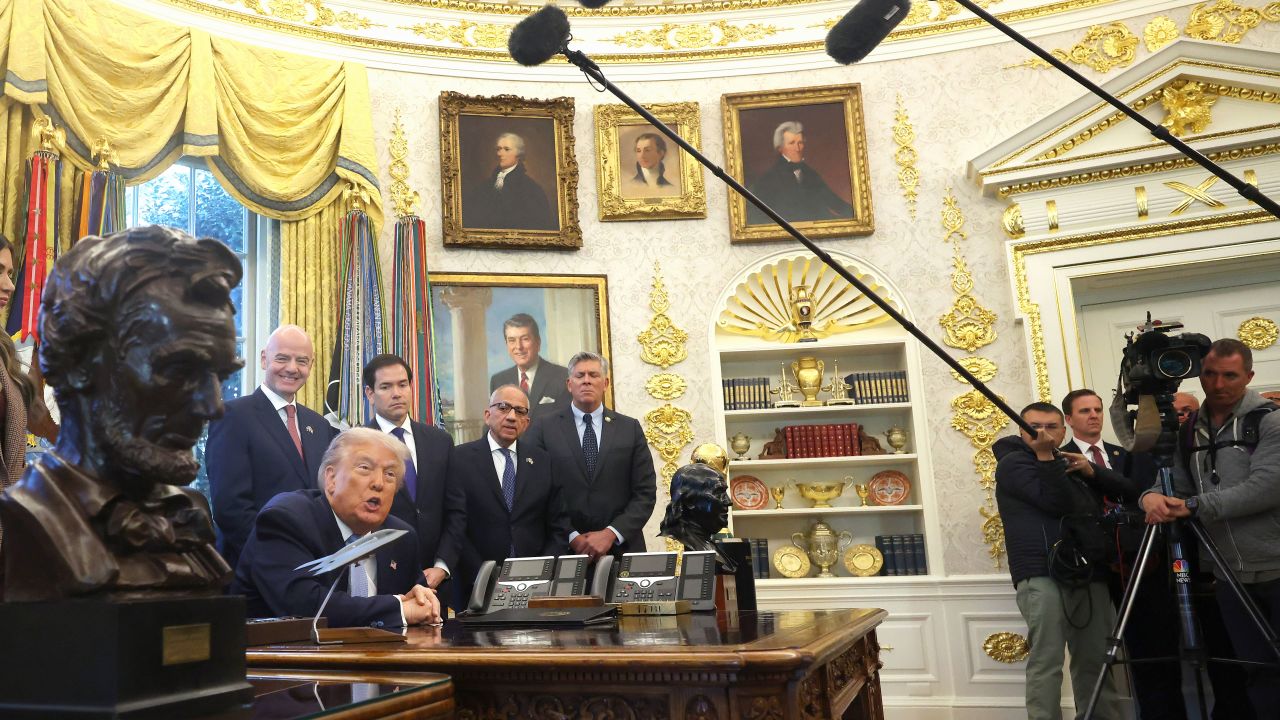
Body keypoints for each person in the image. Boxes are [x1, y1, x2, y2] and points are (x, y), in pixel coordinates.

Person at [0, 226, 239, 600]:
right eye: (177, 370)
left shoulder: (189, 519)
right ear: (81, 363)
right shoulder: (35, 522)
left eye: (219, 376)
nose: (212, 406)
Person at [1141, 339, 1280, 716]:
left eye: (1230, 375)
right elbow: (1174, 484)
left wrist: (1192, 506)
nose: (1218, 384)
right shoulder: (1188, 431)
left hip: (1276, 566)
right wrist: (1150, 498)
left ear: (1249, 376)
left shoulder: (1270, 420)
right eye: (1210, 374)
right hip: (1229, 575)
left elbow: (1267, 488)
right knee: (1256, 672)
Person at [994, 401, 1134, 720]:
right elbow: (1057, 503)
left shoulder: (1067, 462)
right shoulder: (1013, 463)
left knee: (1095, 658)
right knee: (1047, 659)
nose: (1042, 433)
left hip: (1088, 571)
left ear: (1064, 430)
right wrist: (1045, 457)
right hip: (1040, 572)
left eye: (1050, 427)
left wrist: (1091, 470)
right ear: (1021, 430)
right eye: (1034, 427)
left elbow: (1129, 492)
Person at [232, 428, 440, 628]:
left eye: (390, 475)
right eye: (365, 468)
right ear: (331, 478)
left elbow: (415, 599)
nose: (379, 483)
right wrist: (398, 610)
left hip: (379, 657)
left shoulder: (400, 537)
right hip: (276, 660)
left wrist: (424, 600)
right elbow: (304, 607)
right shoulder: (286, 520)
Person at [1063, 389, 1186, 720]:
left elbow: (1144, 495)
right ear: (1068, 419)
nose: (1094, 415)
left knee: (1154, 646)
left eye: (1098, 409)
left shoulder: (1128, 454)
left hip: (1142, 563)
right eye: (1085, 410)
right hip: (1094, 571)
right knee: (1093, 654)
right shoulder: (1060, 460)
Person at [207, 325, 339, 569]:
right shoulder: (233, 416)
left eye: (301, 361)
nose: (292, 368)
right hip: (254, 568)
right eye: (282, 358)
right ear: (264, 359)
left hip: (313, 566)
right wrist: (275, 559)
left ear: (311, 365)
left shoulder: (319, 425)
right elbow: (230, 508)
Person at [523, 352, 656, 560]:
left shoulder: (630, 428)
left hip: (622, 551)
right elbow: (534, 490)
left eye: (593, 375)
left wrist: (610, 534)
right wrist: (572, 536)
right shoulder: (543, 428)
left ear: (605, 383)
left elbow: (645, 493)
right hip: (562, 551)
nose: (586, 380)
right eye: (580, 375)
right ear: (569, 384)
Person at [451, 385, 572, 607]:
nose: (511, 417)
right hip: (476, 586)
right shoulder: (460, 459)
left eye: (520, 411)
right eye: (503, 407)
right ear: (488, 415)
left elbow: (559, 527)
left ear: (527, 422)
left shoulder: (544, 462)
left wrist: (540, 572)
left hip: (535, 587)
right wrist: (483, 575)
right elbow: (455, 527)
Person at [362, 354, 465, 597]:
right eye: (386, 387)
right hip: (385, 581)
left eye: (402, 384)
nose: (397, 393)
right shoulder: (358, 445)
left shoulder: (440, 441)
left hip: (439, 581)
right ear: (370, 393)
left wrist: (442, 566)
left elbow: (456, 511)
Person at [746, 121, 853, 225]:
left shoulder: (811, 174)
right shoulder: (768, 179)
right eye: (792, 143)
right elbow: (759, 219)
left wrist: (858, 215)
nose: (797, 148)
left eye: (800, 142)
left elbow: (833, 201)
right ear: (780, 148)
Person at [462, 132, 555, 231]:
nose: (499, 154)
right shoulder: (485, 186)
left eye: (506, 149)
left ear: (518, 154)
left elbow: (538, 225)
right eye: (498, 149)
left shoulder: (531, 189)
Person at [488, 314, 570, 421]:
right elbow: (493, 424)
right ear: (506, 344)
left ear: (538, 342)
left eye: (525, 339)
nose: (518, 347)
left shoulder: (562, 376)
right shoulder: (498, 381)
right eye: (512, 340)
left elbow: (567, 424)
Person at [623, 133, 679, 198]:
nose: (642, 156)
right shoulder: (629, 186)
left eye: (647, 150)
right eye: (638, 151)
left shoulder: (671, 188)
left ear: (661, 153)